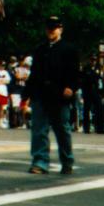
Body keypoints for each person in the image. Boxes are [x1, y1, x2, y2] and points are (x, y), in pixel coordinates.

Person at [24, 15, 78, 175]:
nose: (50, 31)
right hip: (40, 94)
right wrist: (26, 94)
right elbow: (34, 74)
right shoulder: (40, 49)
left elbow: (75, 73)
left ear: (60, 29)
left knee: (62, 130)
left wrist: (71, 87)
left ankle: (67, 161)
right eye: (48, 27)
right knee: (39, 130)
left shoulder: (69, 49)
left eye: (53, 28)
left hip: (59, 95)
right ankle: (40, 162)